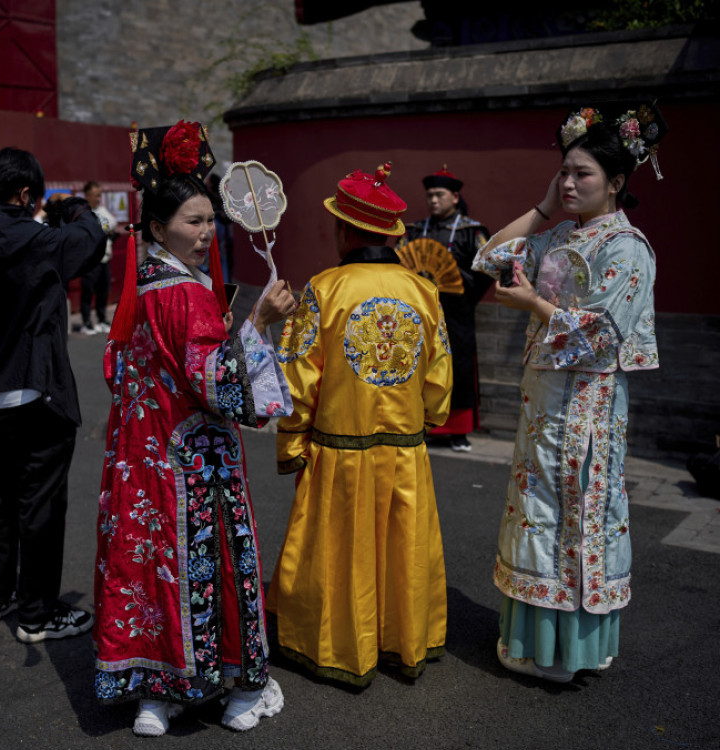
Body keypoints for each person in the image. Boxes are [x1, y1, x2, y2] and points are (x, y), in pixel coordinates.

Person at [92, 121, 296, 737]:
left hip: (140, 458)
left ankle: (157, 694)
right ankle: (243, 687)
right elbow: (221, 385)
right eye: (193, 221)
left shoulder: (144, 289)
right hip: (195, 461)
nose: (207, 233)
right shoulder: (188, 295)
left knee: (151, 568)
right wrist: (260, 322)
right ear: (158, 229)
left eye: (211, 220)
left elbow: (116, 368)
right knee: (214, 567)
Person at [471, 102, 668, 683]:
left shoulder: (627, 247)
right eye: (564, 172)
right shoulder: (559, 234)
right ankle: (533, 645)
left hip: (588, 408)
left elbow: (602, 336)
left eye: (582, 174)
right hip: (543, 402)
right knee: (535, 516)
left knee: (578, 516)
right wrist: (542, 208)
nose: (569, 183)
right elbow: (488, 258)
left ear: (617, 181)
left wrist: (535, 304)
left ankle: (567, 654)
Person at [268, 163, 453, 685]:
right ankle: (402, 641)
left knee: (340, 556)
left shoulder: (324, 289)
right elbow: (439, 378)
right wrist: (424, 418)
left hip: (340, 451)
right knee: (402, 549)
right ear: (390, 232)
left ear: (344, 229)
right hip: (404, 450)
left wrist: (292, 441)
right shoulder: (424, 291)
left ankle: (341, 647)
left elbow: (296, 379)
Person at [0, 147, 106, 642]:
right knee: (41, 503)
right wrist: (71, 206)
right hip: (37, 390)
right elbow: (91, 239)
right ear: (23, 195)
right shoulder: (38, 241)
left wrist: (45, 215)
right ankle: (37, 614)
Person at [400, 165, 492, 452]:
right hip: (418, 312)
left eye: (439, 195)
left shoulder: (471, 232)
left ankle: (458, 431)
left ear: (455, 197)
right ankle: (421, 424)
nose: (433, 200)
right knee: (420, 365)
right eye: (429, 195)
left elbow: (487, 269)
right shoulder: (414, 231)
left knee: (459, 368)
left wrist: (464, 296)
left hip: (457, 313)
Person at [80, 180, 120, 334]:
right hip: (90, 260)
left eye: (99, 195)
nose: (98, 199)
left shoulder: (102, 211)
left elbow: (112, 225)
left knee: (103, 290)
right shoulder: (83, 212)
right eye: (95, 195)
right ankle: (86, 322)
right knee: (88, 291)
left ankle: (102, 319)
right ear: (87, 195)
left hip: (105, 258)